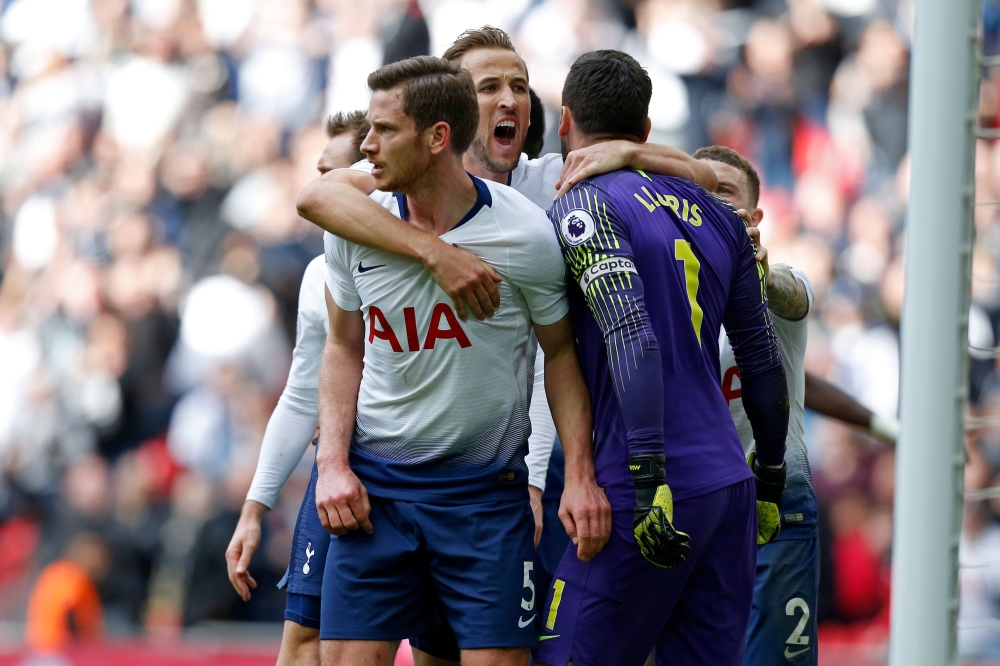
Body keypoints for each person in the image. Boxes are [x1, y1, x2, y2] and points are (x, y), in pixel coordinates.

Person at [295, 55, 610, 666]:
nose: (367, 146)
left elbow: (561, 353)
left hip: (483, 501)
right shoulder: (354, 225)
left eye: (384, 131)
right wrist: (332, 463)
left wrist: (578, 473)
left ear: (438, 137)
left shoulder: (522, 235)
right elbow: (342, 345)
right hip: (377, 494)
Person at [534, 50, 789, 666]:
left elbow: (631, 334)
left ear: (565, 122)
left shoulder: (583, 207)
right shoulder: (720, 215)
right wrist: (771, 481)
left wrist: (649, 478)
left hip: (644, 486)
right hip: (730, 486)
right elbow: (760, 357)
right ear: (645, 131)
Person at [692, 145, 900, 666]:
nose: (713, 204)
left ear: (756, 216)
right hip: (696, 503)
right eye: (701, 191)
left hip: (777, 506)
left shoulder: (782, 286)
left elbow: (790, 300)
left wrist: (756, 270)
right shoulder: (669, 297)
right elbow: (794, 382)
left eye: (726, 193)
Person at [224, 110, 370, 666]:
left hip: (419, 469)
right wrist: (255, 508)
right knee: (303, 640)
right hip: (336, 472)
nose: (316, 191)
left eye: (333, 173)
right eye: (318, 172)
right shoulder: (317, 276)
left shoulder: (423, 258)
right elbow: (301, 394)